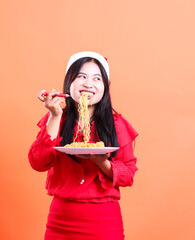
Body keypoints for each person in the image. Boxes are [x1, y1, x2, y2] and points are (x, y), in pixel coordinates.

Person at [28, 51, 139, 240]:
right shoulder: (57, 118)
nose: (88, 84)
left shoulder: (117, 124)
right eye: (81, 76)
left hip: (104, 221)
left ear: (105, 87)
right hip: (60, 220)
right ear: (69, 82)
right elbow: (38, 163)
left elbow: (128, 175)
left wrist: (102, 163)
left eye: (97, 78)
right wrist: (54, 115)